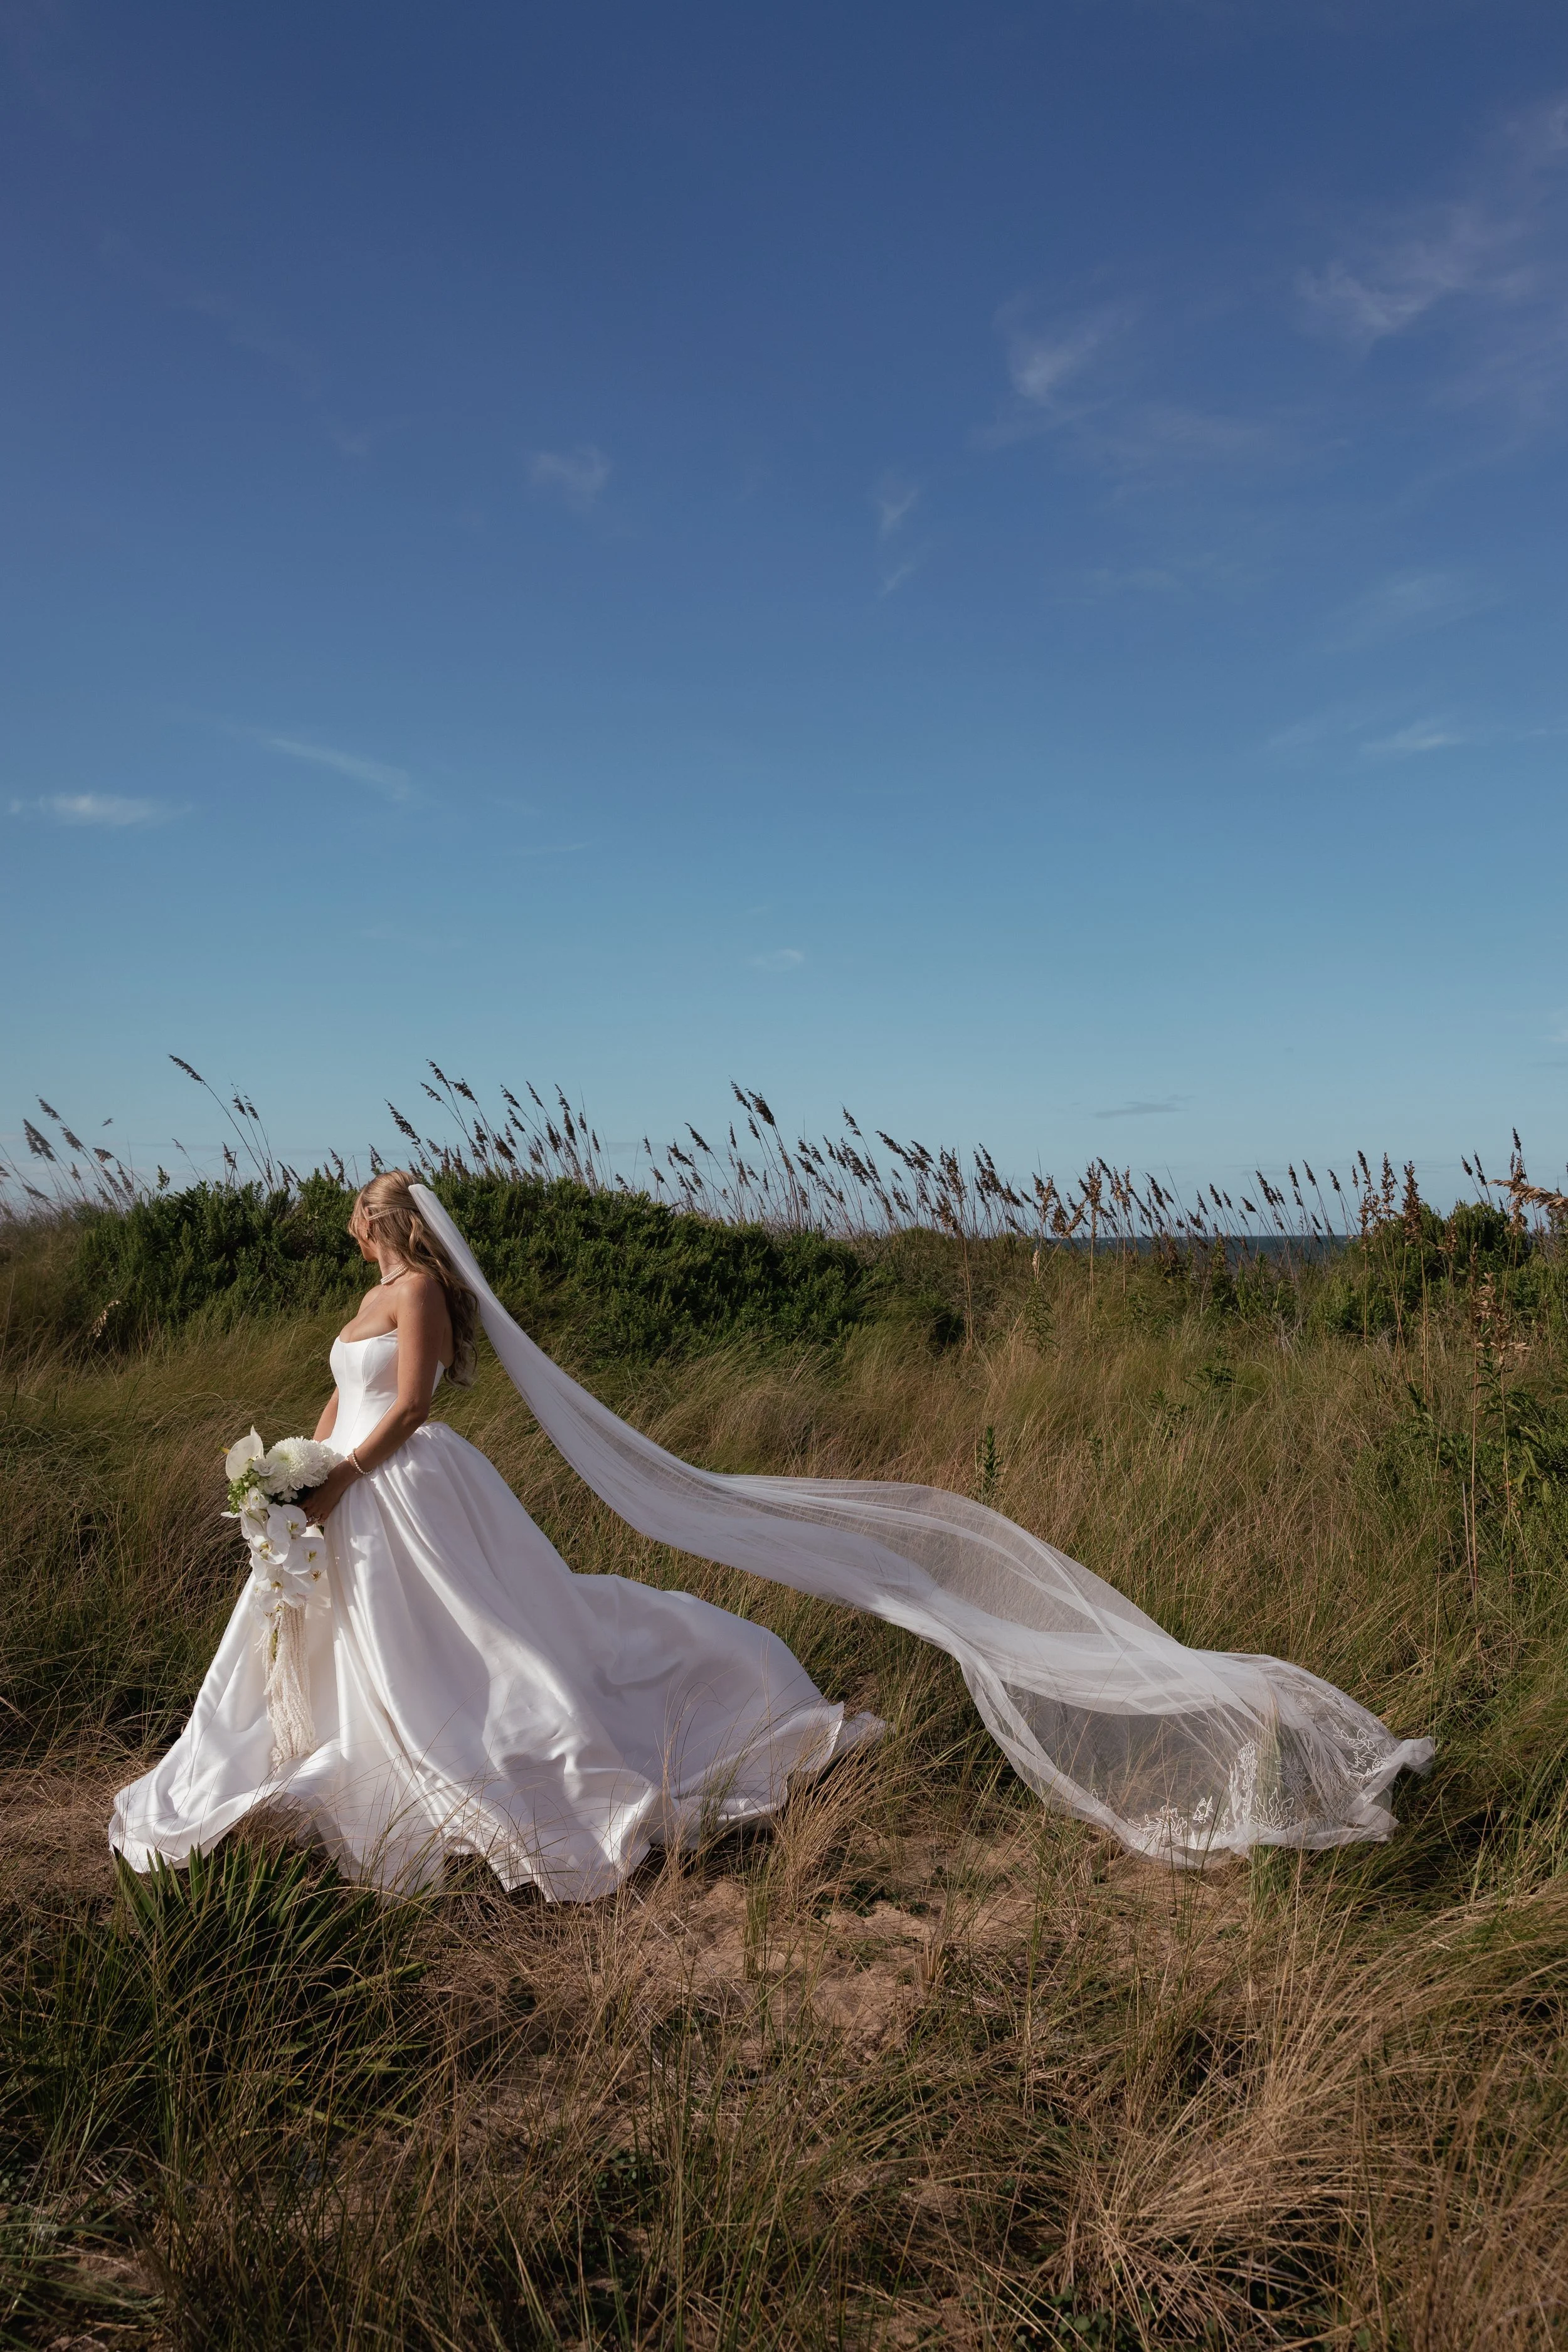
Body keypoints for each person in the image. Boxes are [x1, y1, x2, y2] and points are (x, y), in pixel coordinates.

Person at [112, 1170, 1434, 1897]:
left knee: (512, 1648)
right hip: (338, 1493)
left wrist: (338, 1482)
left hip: (403, 1492)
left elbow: (403, 1409)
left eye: (364, 1215)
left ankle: (670, 1730)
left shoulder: (421, 1297)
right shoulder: (365, 1292)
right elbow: (337, 1398)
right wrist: (283, 1475)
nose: (356, 1228)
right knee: (364, 1655)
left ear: (391, 1224)